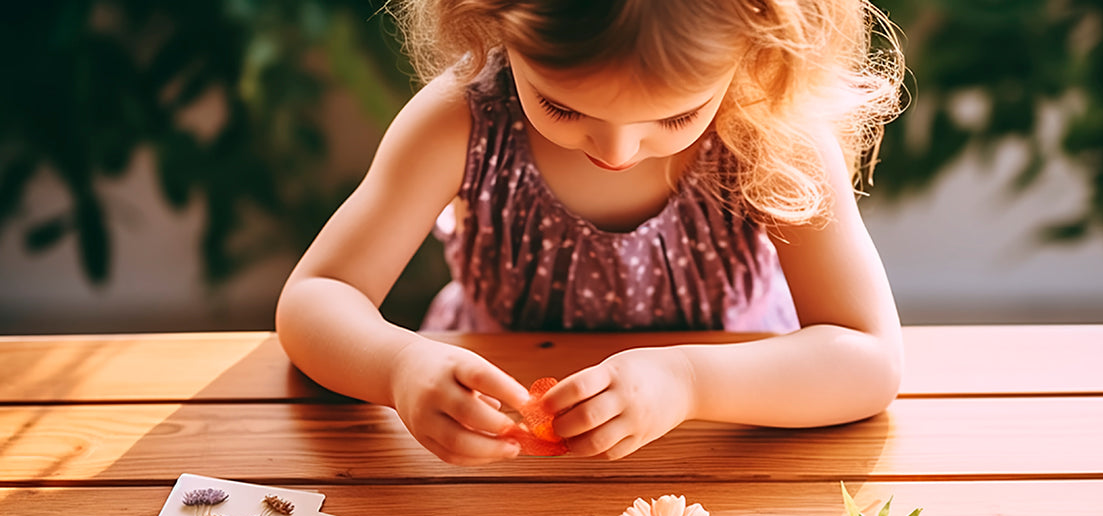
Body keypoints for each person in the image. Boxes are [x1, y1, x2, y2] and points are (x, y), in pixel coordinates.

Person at [275, 0, 906, 465]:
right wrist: (399, 367)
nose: (617, 148)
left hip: (718, 441)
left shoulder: (771, 131)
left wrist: (688, 382)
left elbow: (869, 359)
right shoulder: (463, 121)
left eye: (676, 114)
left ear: (756, 48)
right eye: (563, 107)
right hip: (499, 447)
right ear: (489, 20)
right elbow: (316, 297)